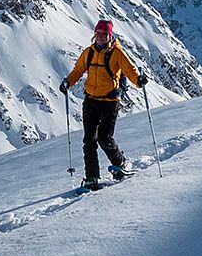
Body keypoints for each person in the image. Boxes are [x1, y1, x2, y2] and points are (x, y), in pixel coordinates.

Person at [62, 19, 146, 190]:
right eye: (98, 34)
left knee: (104, 137)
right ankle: (92, 177)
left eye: (104, 34)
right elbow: (78, 70)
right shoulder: (89, 53)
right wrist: (67, 82)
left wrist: (138, 80)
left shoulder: (117, 53)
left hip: (110, 101)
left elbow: (129, 69)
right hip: (91, 100)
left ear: (110, 35)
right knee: (89, 140)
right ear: (94, 35)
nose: (100, 37)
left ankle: (119, 163)